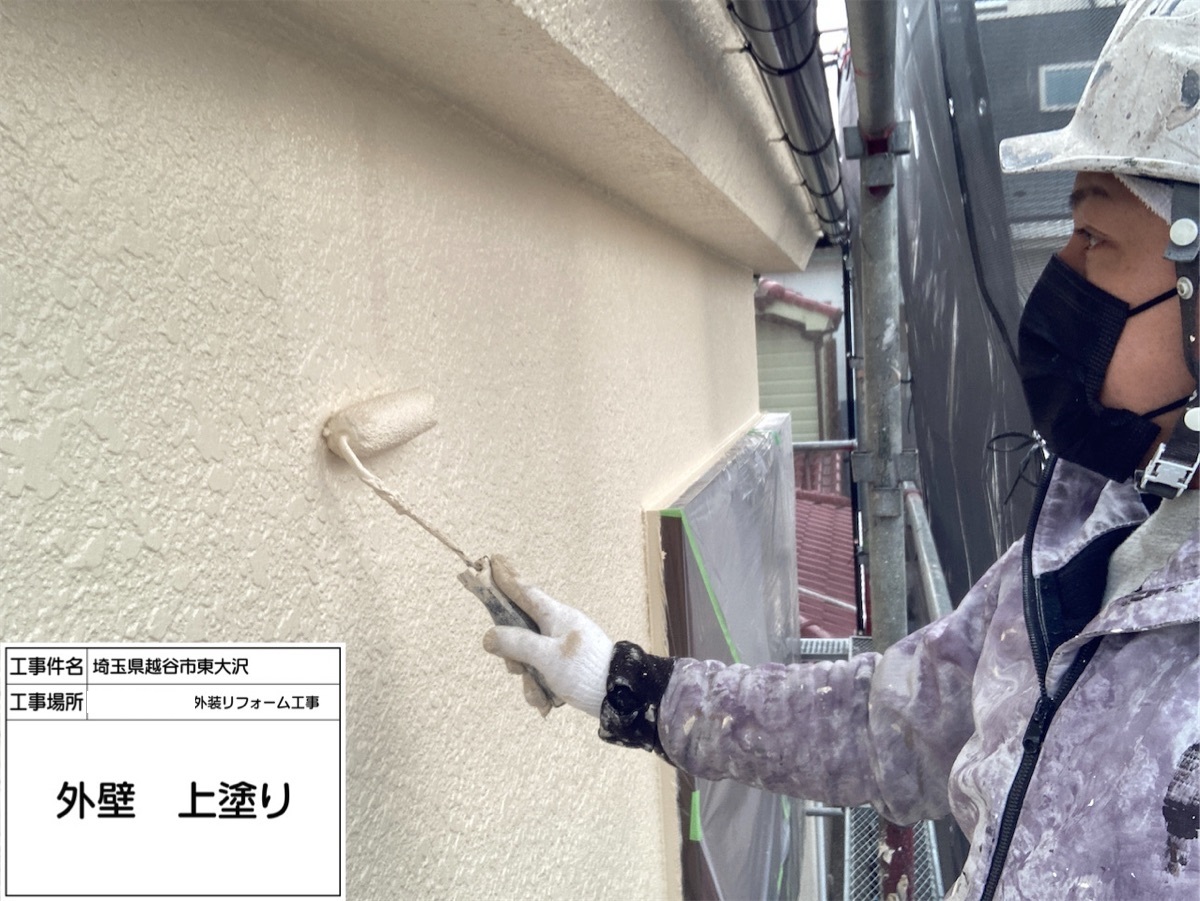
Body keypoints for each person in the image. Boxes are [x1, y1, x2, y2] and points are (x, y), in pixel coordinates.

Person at [482, 1, 1200, 898]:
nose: (1061, 272)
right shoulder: (1097, 532)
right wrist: (631, 687)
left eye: (1095, 238)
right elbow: (889, 723)